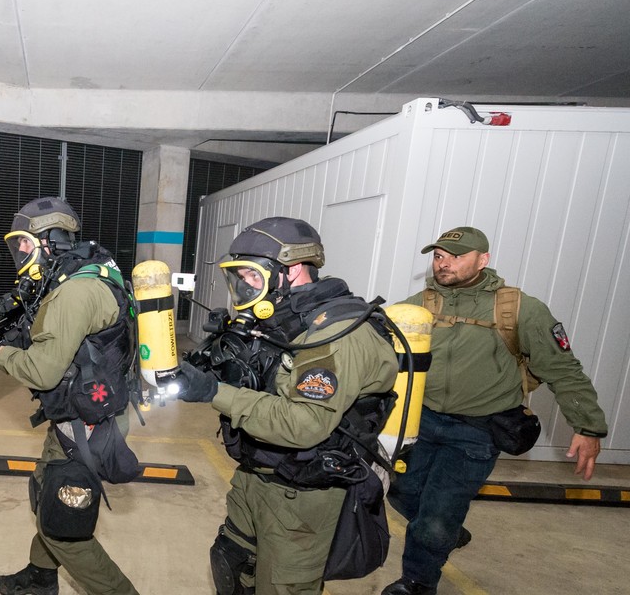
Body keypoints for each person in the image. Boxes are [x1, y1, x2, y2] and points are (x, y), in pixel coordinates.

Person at [175, 216, 399, 595]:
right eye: (238, 276)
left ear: (290, 271)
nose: (243, 287)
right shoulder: (280, 318)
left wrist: (213, 392)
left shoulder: (336, 335)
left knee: (282, 587)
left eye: (250, 275)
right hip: (256, 472)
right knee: (233, 564)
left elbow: (304, 424)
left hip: (303, 496)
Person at [383, 227, 608, 595]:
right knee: (399, 491)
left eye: (456, 256)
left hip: (476, 431)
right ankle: (447, 531)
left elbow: (563, 369)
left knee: (434, 521)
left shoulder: (520, 308)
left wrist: (589, 427)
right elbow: (381, 354)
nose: (444, 264)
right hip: (417, 422)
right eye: (439, 256)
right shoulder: (419, 303)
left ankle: (417, 583)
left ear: (483, 260)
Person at [0, 196, 139, 595]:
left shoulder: (74, 293)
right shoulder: (81, 274)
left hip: (87, 426)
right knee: (46, 493)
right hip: (83, 413)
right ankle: (40, 577)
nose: (18, 251)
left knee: (64, 529)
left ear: (50, 240)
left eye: (24, 242)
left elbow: (42, 369)